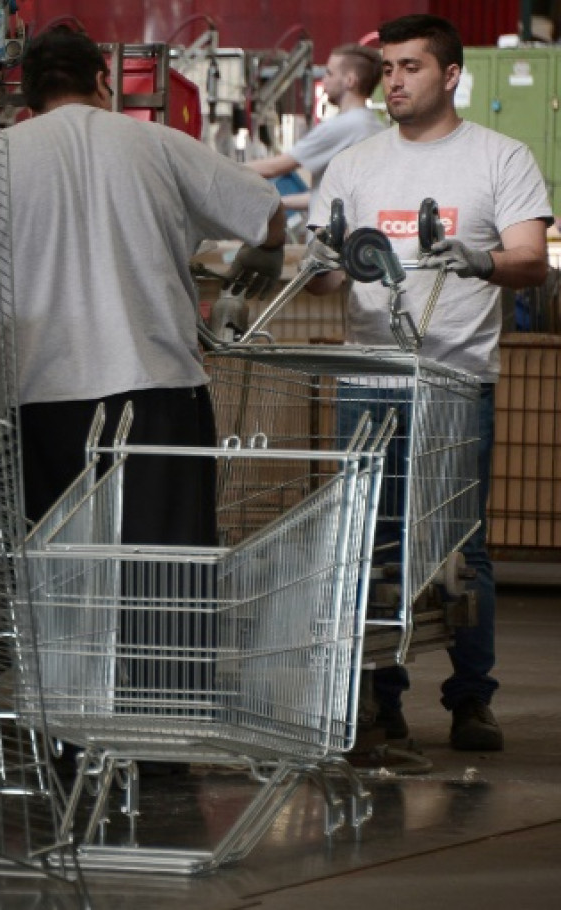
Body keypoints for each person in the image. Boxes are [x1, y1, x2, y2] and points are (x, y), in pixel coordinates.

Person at [306, 14, 553, 752]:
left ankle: (470, 700)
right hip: (369, 380)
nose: (396, 81)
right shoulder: (355, 163)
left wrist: (480, 260)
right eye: (387, 68)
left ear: (451, 76)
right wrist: (324, 265)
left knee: (459, 545)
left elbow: (532, 259)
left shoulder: (500, 157)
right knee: (371, 544)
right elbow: (318, 277)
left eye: (411, 67)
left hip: (456, 381)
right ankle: (383, 702)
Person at [0, 26, 286, 535]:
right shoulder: (154, 141)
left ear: (28, 95)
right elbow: (266, 211)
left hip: (36, 398)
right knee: (160, 588)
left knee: (58, 586)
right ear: (101, 80)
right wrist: (267, 250)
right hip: (154, 391)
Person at [247, 43, 386, 211]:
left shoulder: (343, 126)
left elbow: (275, 167)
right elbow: (327, 197)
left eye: (329, 73)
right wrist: (279, 203)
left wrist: (222, 169)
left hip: (334, 236)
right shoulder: (374, 125)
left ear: (350, 80)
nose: (324, 80)